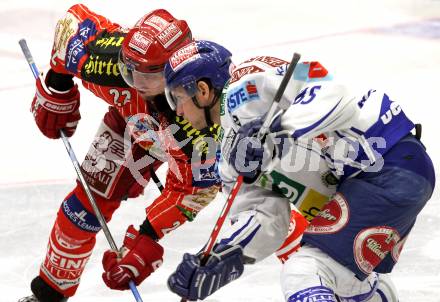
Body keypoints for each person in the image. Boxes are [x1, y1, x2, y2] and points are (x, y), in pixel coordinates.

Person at [163, 41, 435, 301]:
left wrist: (279, 132)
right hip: (368, 183)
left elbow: (333, 91)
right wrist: (221, 257)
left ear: (202, 90)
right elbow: (266, 217)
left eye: (177, 98)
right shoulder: (228, 156)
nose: (179, 112)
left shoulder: (245, 85)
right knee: (348, 283)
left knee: (304, 272)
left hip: (385, 161)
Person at [19, 5, 223, 302]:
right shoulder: (106, 61)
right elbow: (71, 28)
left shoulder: (204, 114)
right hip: (132, 128)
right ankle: (48, 293)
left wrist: (147, 235)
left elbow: (195, 189)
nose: (138, 84)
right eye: (131, 70)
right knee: (83, 208)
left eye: (150, 75)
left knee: (260, 206)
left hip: (176, 142)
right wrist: (57, 86)